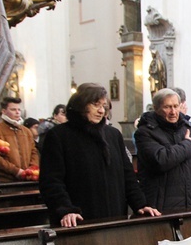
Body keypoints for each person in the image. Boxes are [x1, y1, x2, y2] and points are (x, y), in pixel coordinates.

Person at [39, 82, 160, 227]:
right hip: (77, 220)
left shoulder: (113, 134)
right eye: (96, 104)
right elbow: (51, 181)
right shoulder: (59, 136)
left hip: (114, 215)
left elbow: (127, 175)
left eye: (104, 106)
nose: (101, 111)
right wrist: (65, 209)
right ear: (80, 104)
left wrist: (140, 204)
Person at [0, 97, 40, 182]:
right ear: (4, 111)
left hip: (28, 178)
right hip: (5, 179)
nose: (17, 112)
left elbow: (34, 152)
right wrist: (16, 171)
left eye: (19, 109)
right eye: (13, 109)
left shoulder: (26, 131)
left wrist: (32, 169)